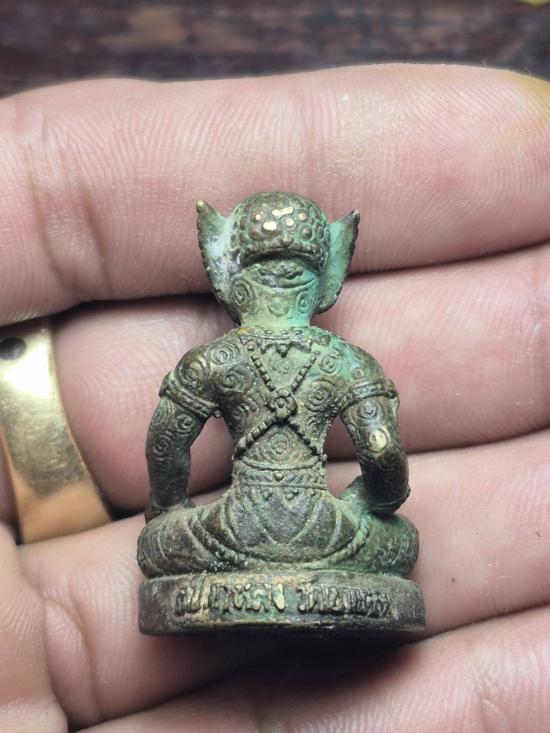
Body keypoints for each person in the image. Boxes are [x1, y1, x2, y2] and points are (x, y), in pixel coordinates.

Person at [0, 63, 548, 731]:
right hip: (329, 534)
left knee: (156, 547)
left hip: (229, 534)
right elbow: (383, 456)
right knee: (400, 541)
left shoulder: (214, 360)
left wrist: (168, 508)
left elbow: (167, 446)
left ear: (228, 277)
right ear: (327, 279)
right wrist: (365, 506)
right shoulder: (345, 361)